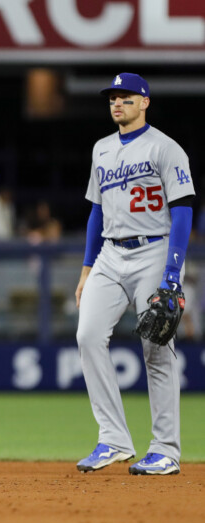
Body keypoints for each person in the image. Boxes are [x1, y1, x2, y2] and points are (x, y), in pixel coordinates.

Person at [74, 73, 195, 476]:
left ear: (145, 102)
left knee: (157, 349)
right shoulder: (101, 148)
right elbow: (96, 210)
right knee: (88, 336)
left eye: (125, 97)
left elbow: (182, 210)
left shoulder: (165, 147)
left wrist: (172, 272)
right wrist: (88, 267)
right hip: (110, 252)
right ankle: (113, 439)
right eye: (112, 97)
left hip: (153, 249)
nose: (117, 103)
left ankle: (165, 450)